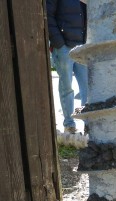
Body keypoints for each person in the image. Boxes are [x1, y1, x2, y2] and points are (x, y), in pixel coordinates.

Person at [47, 0, 88, 134]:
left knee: (87, 87)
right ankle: (69, 125)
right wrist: (59, 44)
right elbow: (48, 15)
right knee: (67, 88)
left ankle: (89, 124)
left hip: (82, 47)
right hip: (64, 47)